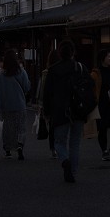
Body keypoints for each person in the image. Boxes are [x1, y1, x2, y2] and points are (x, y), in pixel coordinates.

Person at [43, 40, 88, 183]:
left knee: (59, 141)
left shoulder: (53, 70)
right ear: (73, 52)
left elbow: (47, 93)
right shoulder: (81, 68)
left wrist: (47, 112)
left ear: (60, 54)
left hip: (60, 110)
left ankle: (64, 160)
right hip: (78, 109)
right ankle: (73, 171)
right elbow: (88, 89)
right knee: (75, 142)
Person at [0, 49, 31, 160]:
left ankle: (8, 150)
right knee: (21, 127)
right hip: (20, 104)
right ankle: (20, 145)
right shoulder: (21, 71)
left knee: (8, 129)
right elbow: (27, 87)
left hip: (7, 106)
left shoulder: (1, 74)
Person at [36, 50, 59, 159]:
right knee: (60, 125)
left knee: (52, 127)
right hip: (60, 102)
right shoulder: (62, 71)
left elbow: (41, 90)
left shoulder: (45, 73)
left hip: (48, 103)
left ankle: (53, 148)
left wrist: (40, 104)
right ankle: (60, 147)